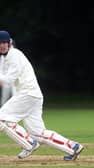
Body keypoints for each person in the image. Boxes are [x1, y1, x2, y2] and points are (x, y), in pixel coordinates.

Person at [0, 30, 84, 160]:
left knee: (2, 119)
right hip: (33, 95)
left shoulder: (14, 55)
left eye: (4, 42)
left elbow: (8, 81)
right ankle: (73, 147)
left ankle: (29, 143)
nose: (1, 45)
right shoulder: (7, 57)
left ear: (9, 42)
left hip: (27, 94)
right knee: (38, 134)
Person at [0, 38, 16, 106]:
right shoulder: (3, 56)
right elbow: (1, 68)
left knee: (16, 98)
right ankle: (3, 115)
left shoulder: (16, 54)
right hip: (6, 81)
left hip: (15, 81)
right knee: (4, 100)